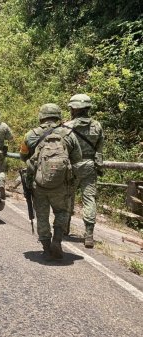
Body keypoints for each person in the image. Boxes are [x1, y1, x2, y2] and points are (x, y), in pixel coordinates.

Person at [20, 104, 82, 261]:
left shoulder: (31, 135)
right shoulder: (69, 134)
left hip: (39, 184)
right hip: (61, 184)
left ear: (41, 116)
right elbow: (77, 158)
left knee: (42, 215)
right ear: (58, 116)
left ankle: (47, 250)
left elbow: (23, 156)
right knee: (62, 212)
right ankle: (57, 240)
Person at [64, 94, 104, 246]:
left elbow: (64, 150)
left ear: (74, 108)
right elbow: (99, 150)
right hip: (89, 166)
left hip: (72, 166)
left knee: (68, 197)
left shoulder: (67, 126)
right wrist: (98, 166)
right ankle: (88, 234)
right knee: (89, 199)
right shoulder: (97, 126)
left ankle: (64, 228)